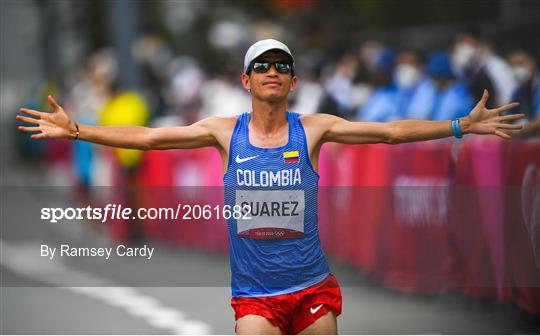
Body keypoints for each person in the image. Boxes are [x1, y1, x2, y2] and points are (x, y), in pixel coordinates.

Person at [17, 39, 524, 334]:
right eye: (262, 66)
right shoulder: (223, 131)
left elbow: (390, 133)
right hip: (255, 298)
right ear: (246, 80)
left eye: (282, 65)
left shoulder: (315, 128)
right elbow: (149, 138)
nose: (273, 72)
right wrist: (78, 128)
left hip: (312, 289)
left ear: (293, 81)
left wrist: (460, 125)